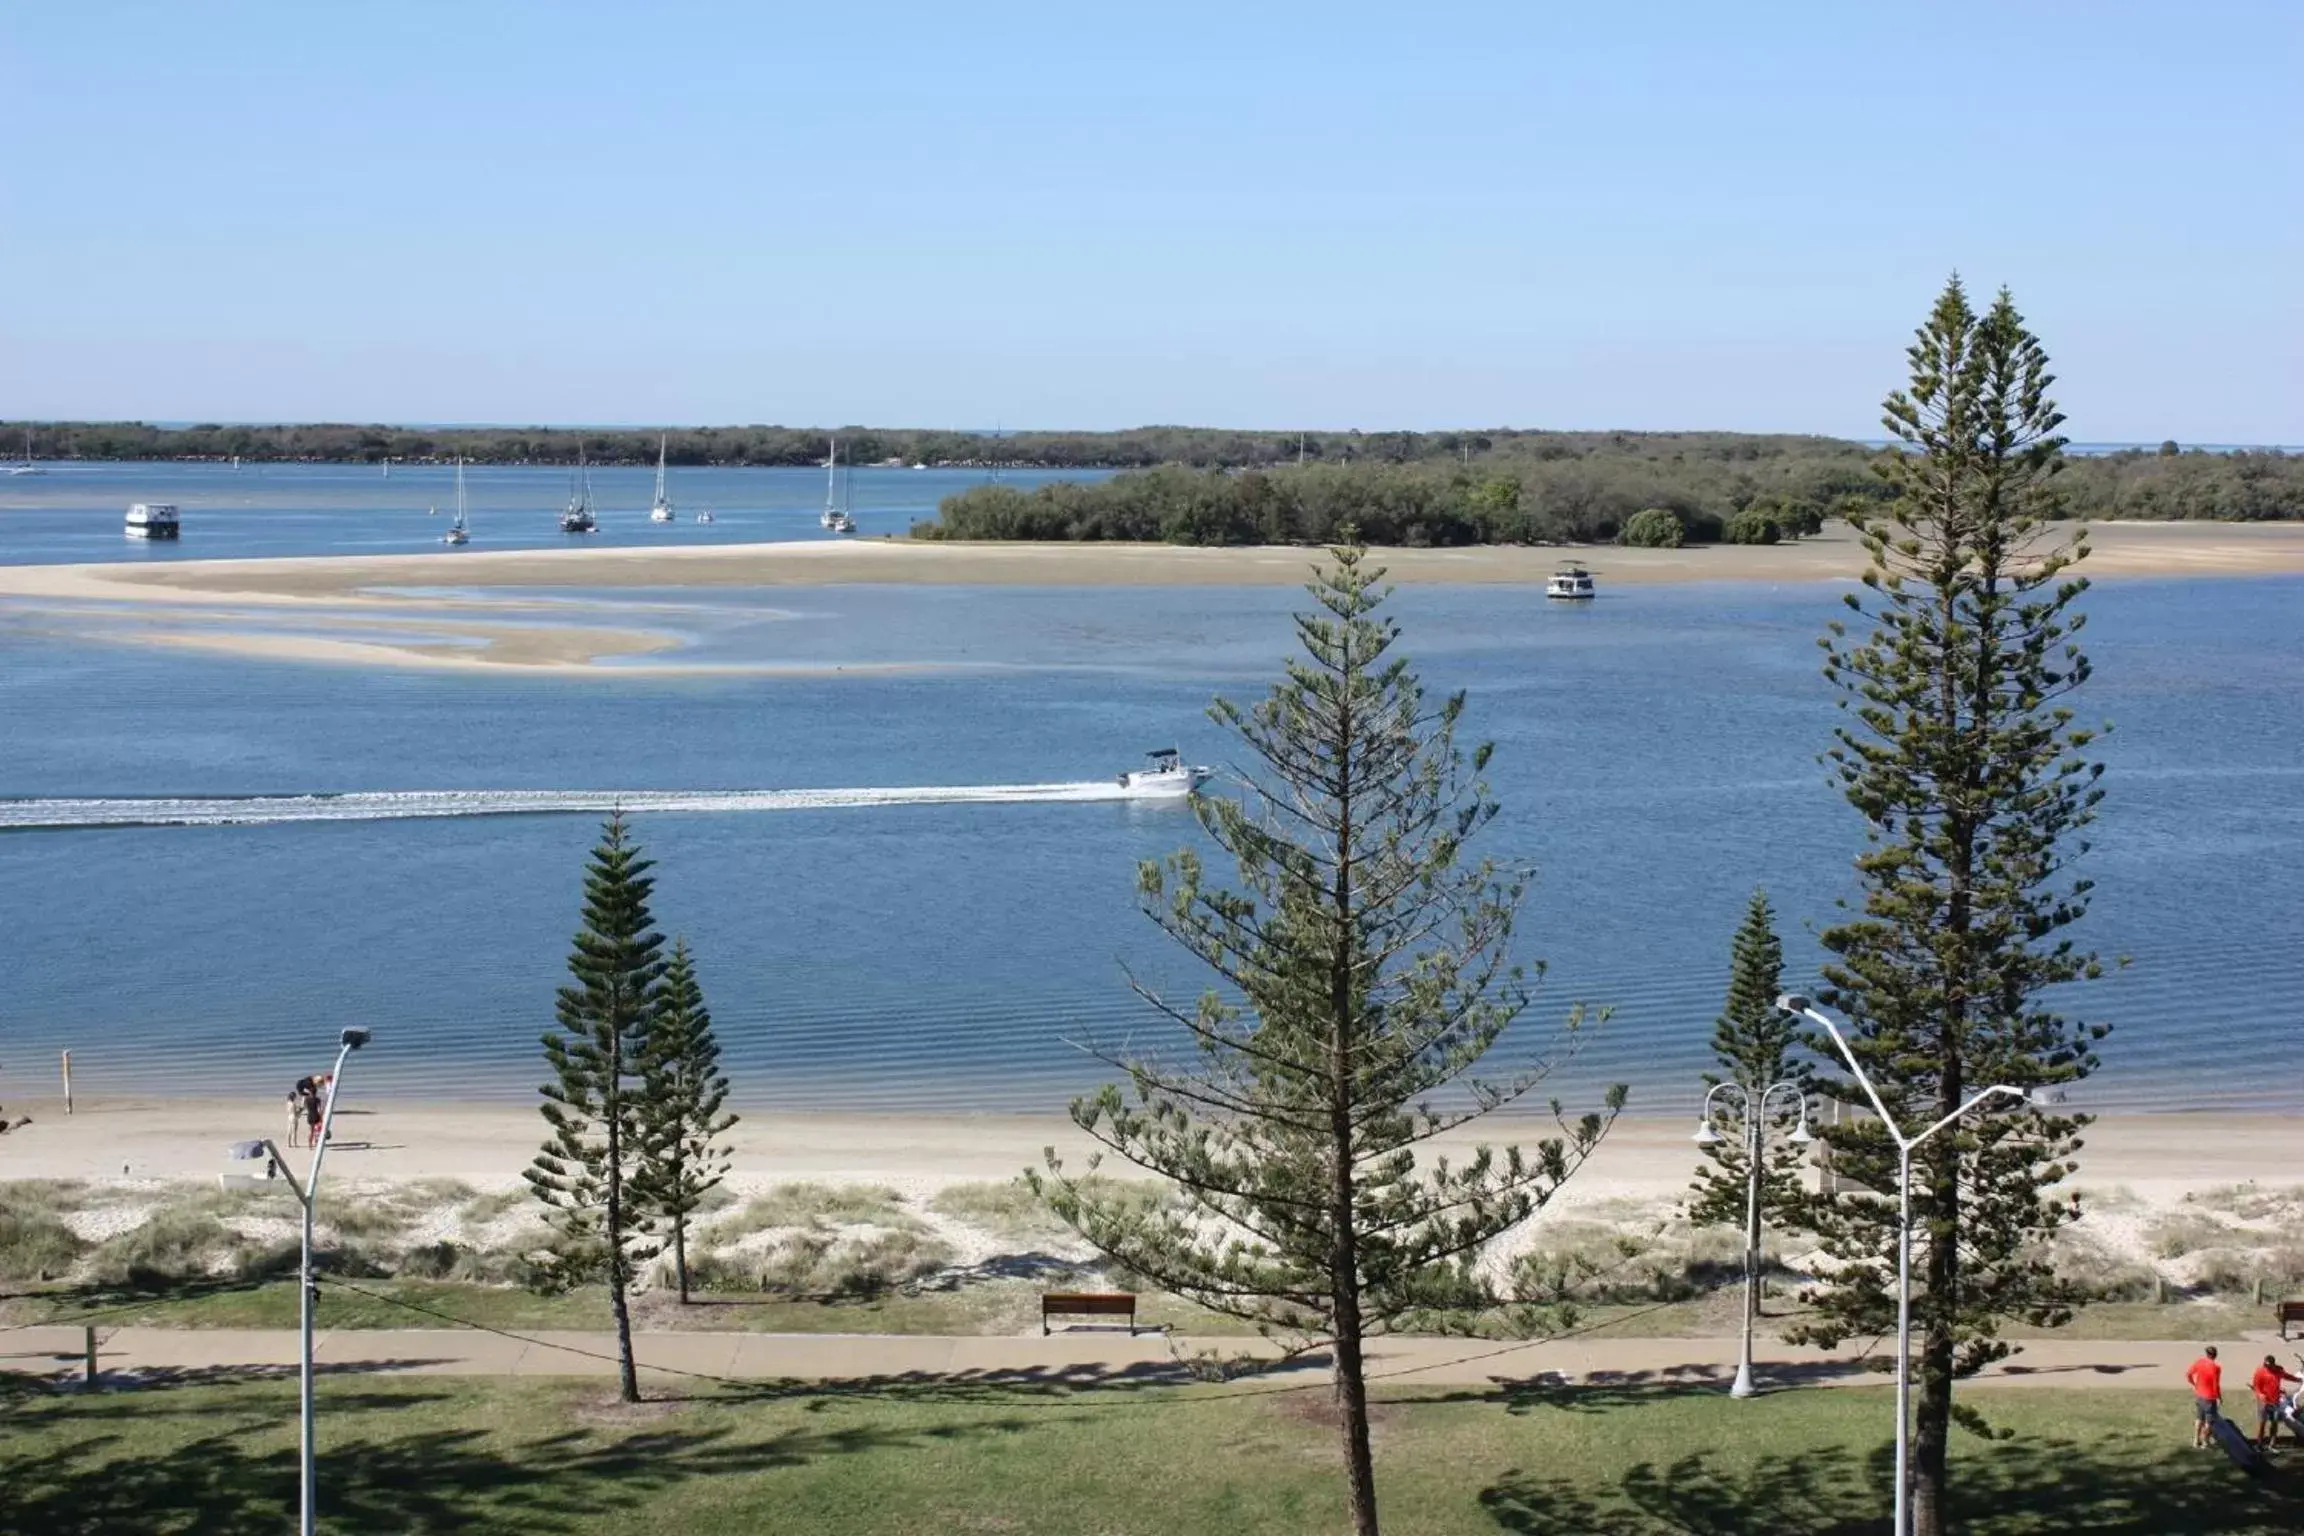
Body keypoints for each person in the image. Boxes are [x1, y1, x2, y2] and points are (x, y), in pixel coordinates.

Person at [2251, 1354, 2299, 1452]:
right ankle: (2259, 1444)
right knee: (2262, 1423)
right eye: (2265, 1365)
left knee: (2274, 1423)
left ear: (2273, 1364)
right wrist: (2260, 1394)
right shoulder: (2260, 1372)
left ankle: (2272, 1445)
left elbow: (2286, 1376)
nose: (2266, 1367)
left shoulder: (2279, 1370)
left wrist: (2297, 1379)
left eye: (2269, 1365)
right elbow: (2256, 1386)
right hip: (2263, 1402)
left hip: (2275, 1402)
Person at [2188, 1345, 2223, 1448]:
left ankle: (2195, 1440)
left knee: (2199, 1418)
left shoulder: (2199, 1362)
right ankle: (2205, 1441)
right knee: (2209, 1421)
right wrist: (2219, 1397)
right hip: (2210, 1398)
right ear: (2215, 1355)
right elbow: (2216, 1384)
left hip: (2199, 1395)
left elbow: (2188, 1374)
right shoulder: (2216, 1368)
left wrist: (2194, 1384)